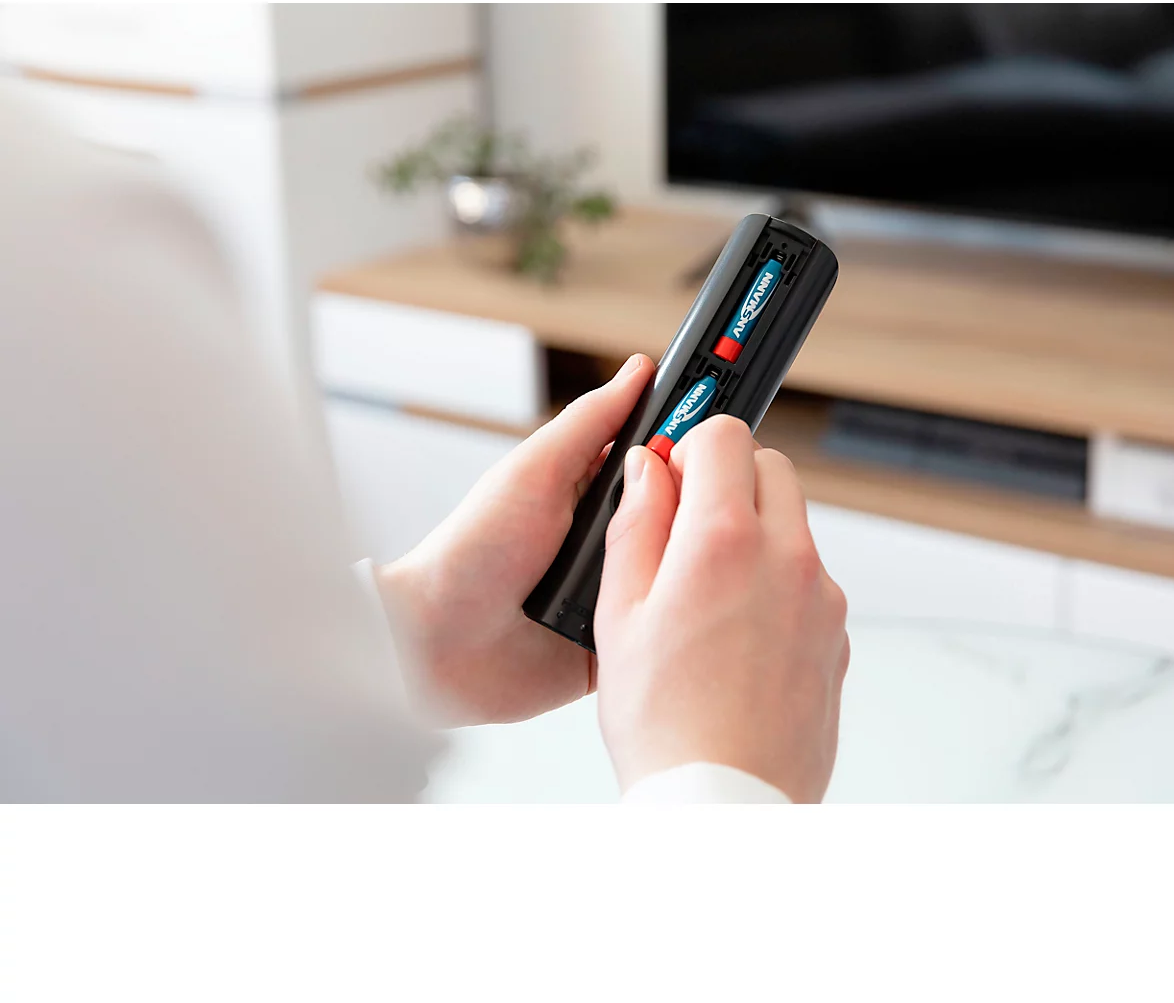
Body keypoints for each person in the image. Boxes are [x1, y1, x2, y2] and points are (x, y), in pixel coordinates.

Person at [0, 83, 849, 803]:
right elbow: (285, 773)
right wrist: (721, 775)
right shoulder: (46, 224)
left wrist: (420, 631)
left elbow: (119, 718)